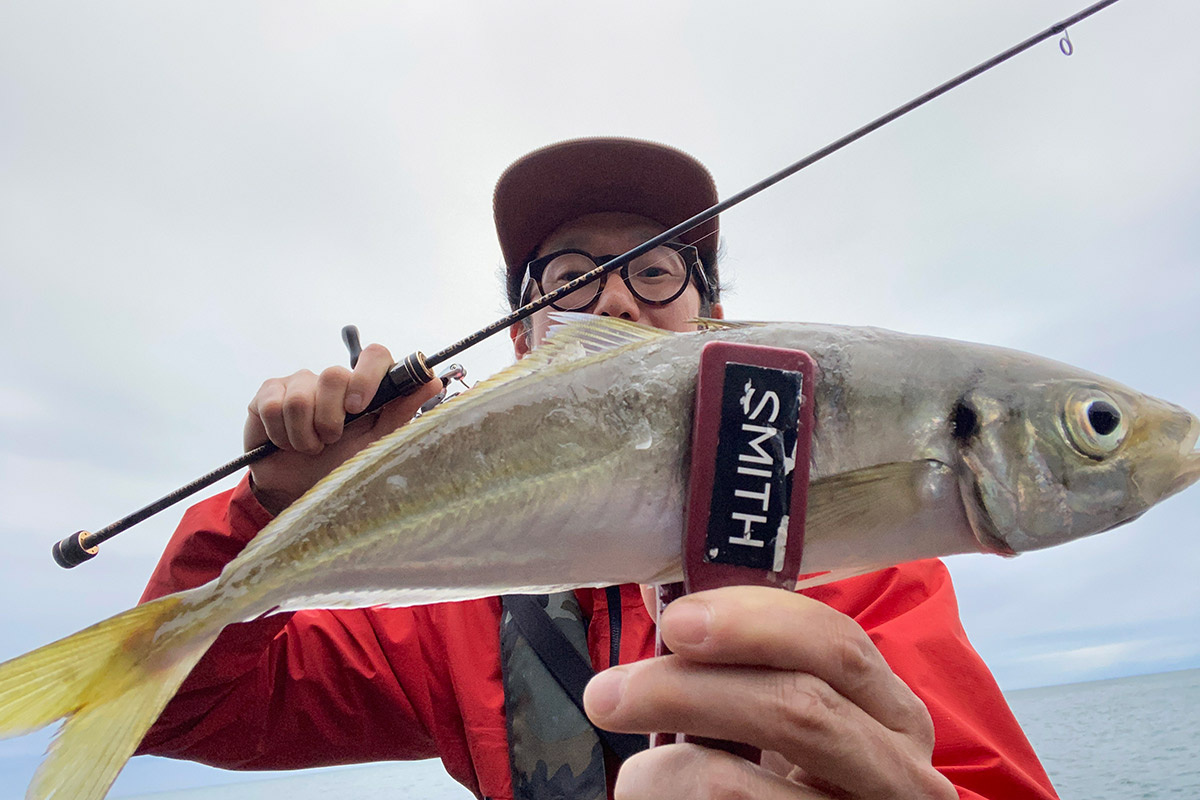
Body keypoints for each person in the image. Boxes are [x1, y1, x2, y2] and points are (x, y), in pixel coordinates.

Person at [136, 138, 1059, 800]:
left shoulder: (853, 555)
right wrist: (268, 505)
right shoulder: (447, 621)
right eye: (571, 276)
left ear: (718, 321)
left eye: (658, 269)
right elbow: (184, 708)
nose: (615, 295)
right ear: (520, 341)